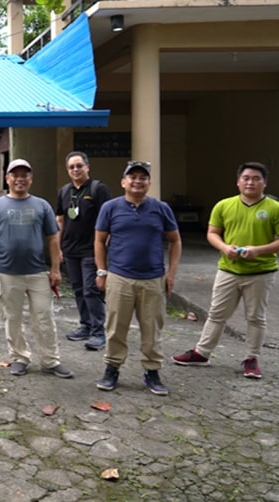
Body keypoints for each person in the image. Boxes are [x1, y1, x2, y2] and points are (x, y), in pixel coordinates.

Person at [172, 162, 279, 378]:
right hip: (228, 270)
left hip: (261, 272)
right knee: (217, 313)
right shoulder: (224, 205)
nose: (250, 182)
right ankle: (202, 353)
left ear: (264, 183)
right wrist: (224, 248)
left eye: (256, 178)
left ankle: (251, 358)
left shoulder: (276, 209)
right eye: (246, 178)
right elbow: (212, 233)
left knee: (255, 317)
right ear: (238, 182)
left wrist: (258, 250)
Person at [0, 159, 72, 380]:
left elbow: (52, 237)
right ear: (7, 179)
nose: (20, 179)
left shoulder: (42, 205)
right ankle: (20, 357)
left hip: (38, 271)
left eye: (25, 175)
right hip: (8, 272)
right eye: (15, 175)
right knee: (12, 317)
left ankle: (50, 360)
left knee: (44, 316)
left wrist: (56, 269)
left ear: (31, 179)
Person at [95, 160, 181, 396]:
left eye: (143, 177)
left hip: (152, 278)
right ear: (123, 182)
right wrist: (102, 271)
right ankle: (112, 368)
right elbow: (99, 241)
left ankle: (151, 371)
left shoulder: (161, 208)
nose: (137, 181)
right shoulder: (110, 208)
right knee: (115, 328)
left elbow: (175, 240)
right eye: (132, 177)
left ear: (149, 183)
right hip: (119, 277)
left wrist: (171, 272)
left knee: (152, 329)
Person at [55, 152, 112, 351]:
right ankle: (85, 325)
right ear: (67, 170)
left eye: (79, 165)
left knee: (91, 290)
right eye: (71, 167)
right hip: (70, 249)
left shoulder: (98, 189)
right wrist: (58, 248)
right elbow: (60, 220)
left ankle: (98, 332)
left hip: (91, 249)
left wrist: (105, 249)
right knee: (78, 289)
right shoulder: (64, 191)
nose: (76, 170)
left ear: (87, 167)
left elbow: (108, 220)